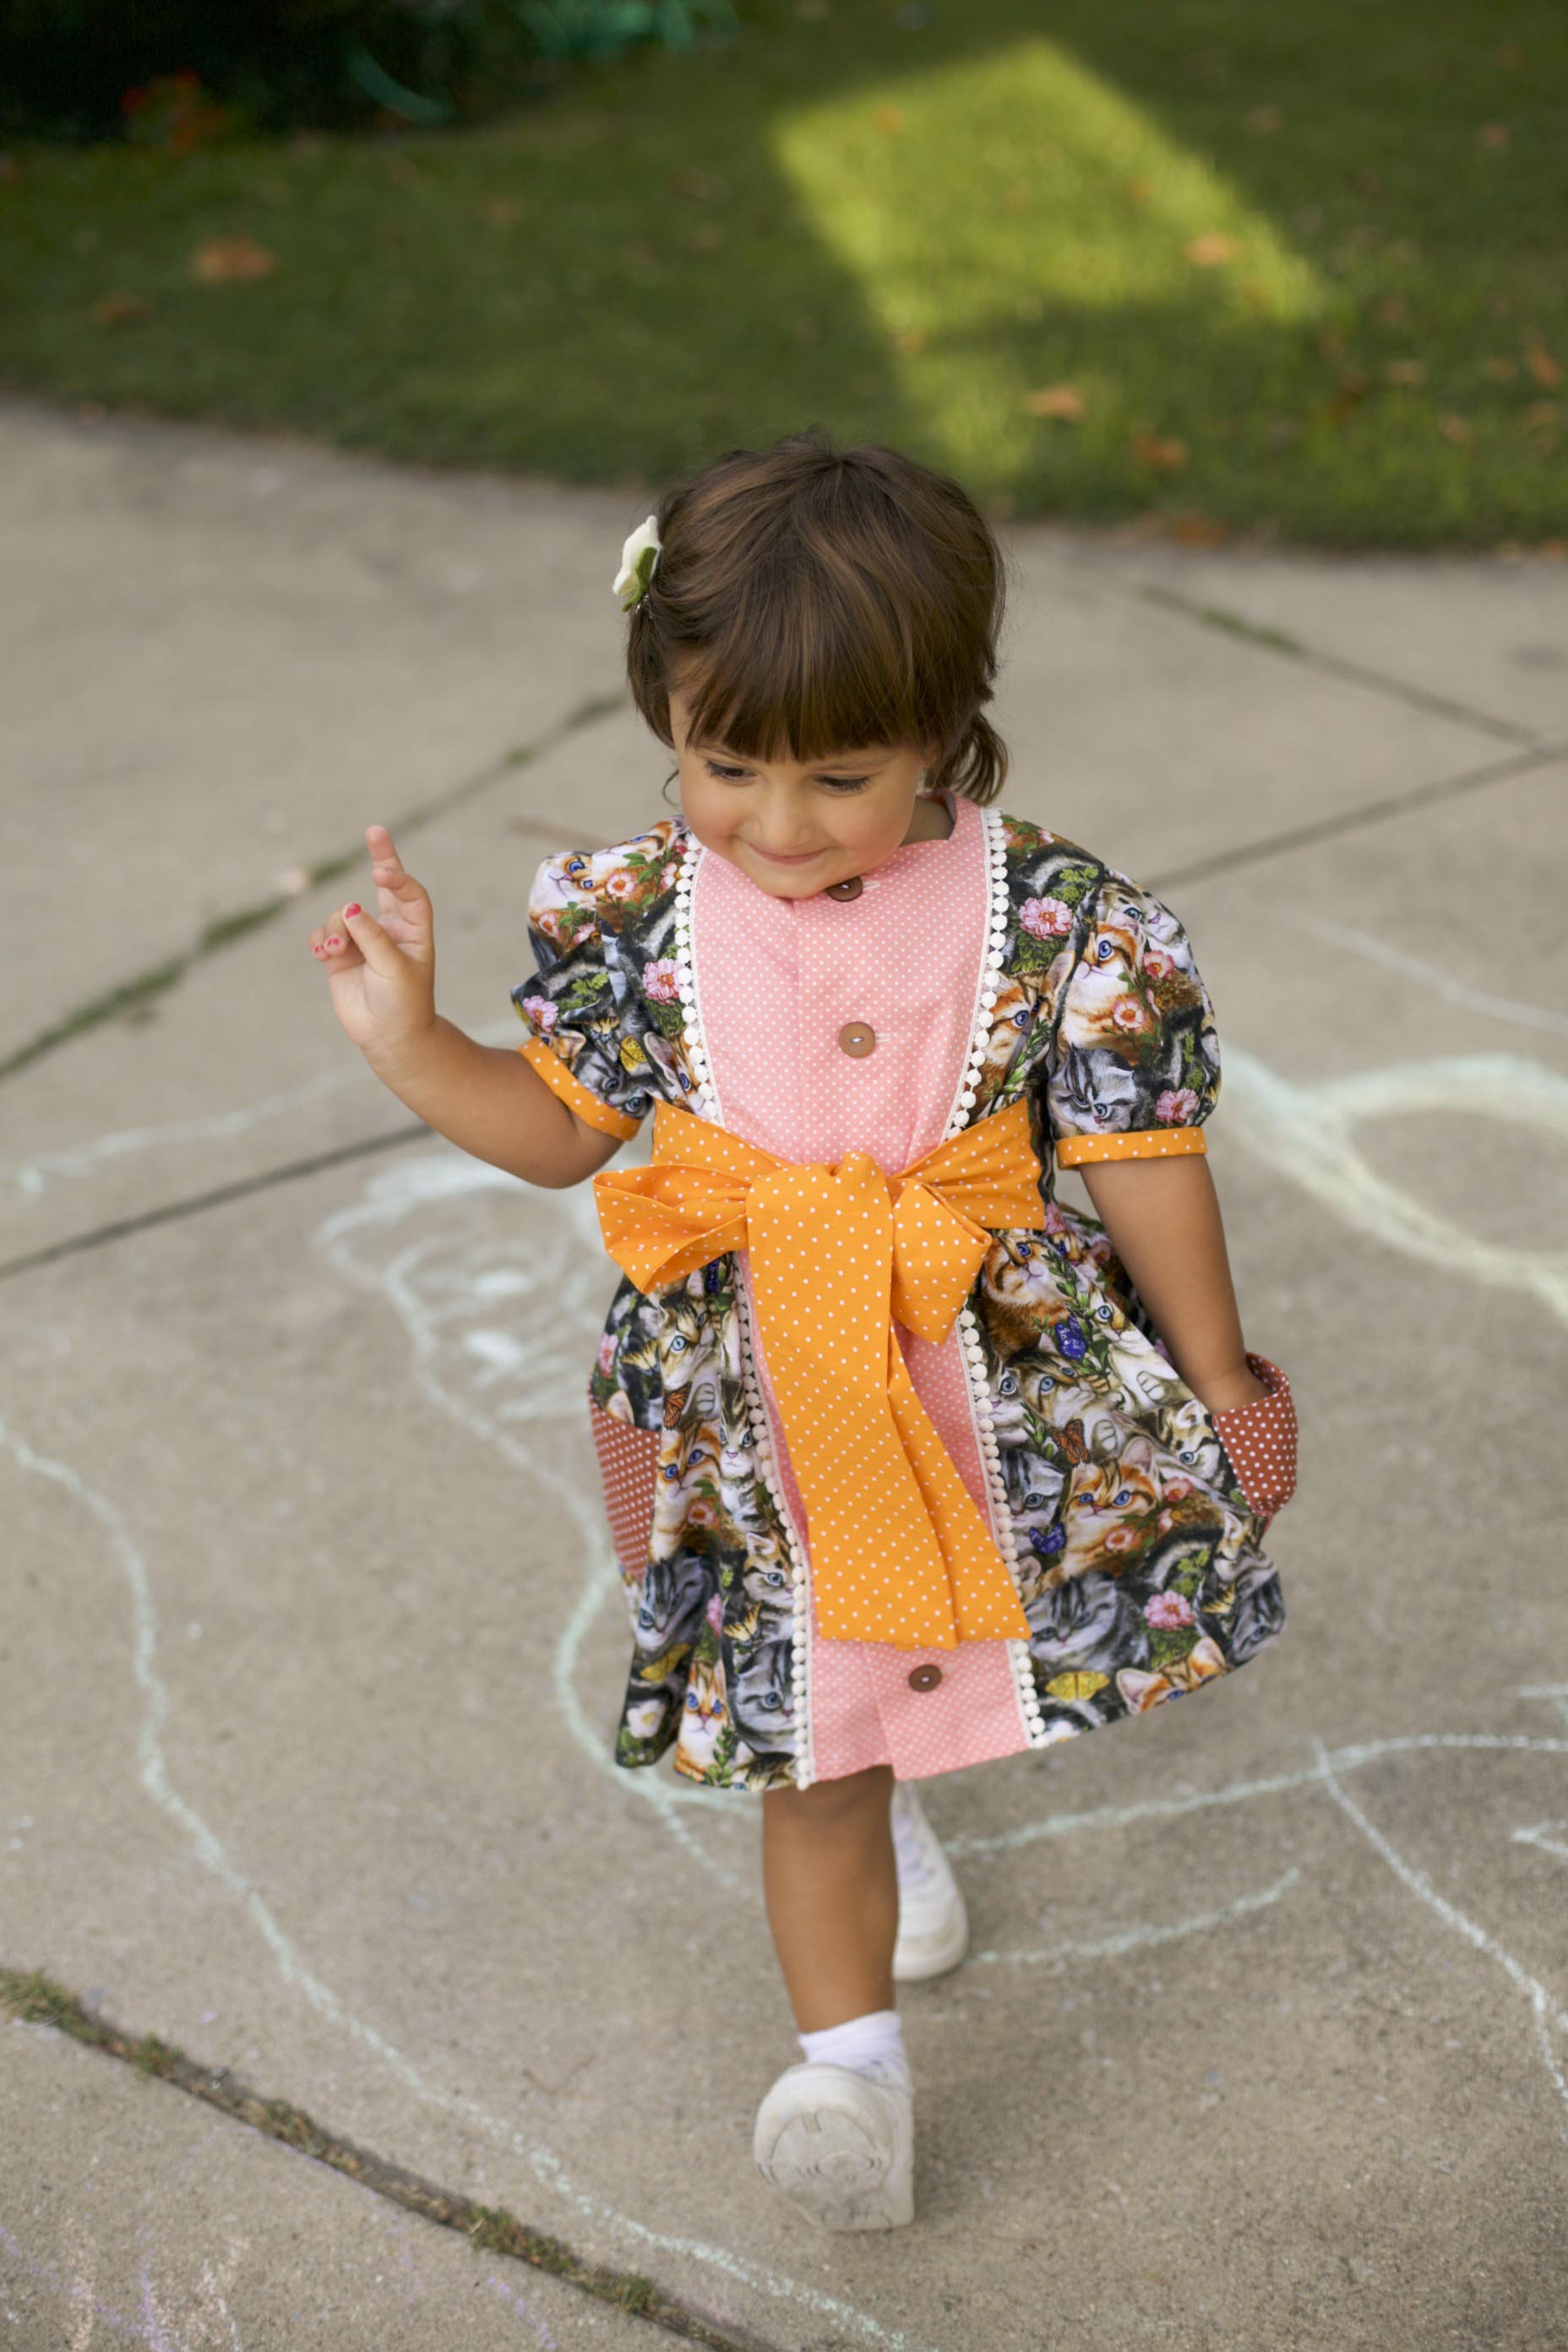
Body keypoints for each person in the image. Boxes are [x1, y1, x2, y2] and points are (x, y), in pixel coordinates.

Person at [308, 426, 1298, 2235]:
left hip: (989, 1387)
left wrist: (1219, 1376)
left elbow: (1145, 1154)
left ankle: (887, 1803)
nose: (774, 824)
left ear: (944, 729)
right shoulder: (638, 920)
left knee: (917, 1670)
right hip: (759, 1411)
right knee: (810, 1748)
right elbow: (559, 1135)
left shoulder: (1060, 919)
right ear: (667, 718)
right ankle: (851, 2074)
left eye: (839, 776)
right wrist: (414, 1041)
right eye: (725, 766)